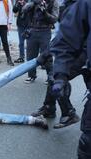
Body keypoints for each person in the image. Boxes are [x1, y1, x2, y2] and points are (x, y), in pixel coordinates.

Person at [49, 0, 91, 159]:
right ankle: (64, 111)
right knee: (88, 143)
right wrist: (60, 74)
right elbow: (66, 40)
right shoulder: (85, 4)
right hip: (80, 58)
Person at [31, 0, 80, 129]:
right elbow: (62, 35)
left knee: (59, 77)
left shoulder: (81, 7)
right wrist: (46, 53)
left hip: (82, 54)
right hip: (72, 51)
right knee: (55, 75)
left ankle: (69, 113)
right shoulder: (67, 6)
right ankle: (49, 107)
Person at [21, 0, 59, 83]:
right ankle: (31, 75)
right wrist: (34, 3)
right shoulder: (34, 1)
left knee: (46, 55)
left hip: (45, 31)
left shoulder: (53, 2)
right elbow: (24, 9)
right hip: (32, 31)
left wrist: (45, 12)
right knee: (30, 55)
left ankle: (50, 76)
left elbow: (54, 19)